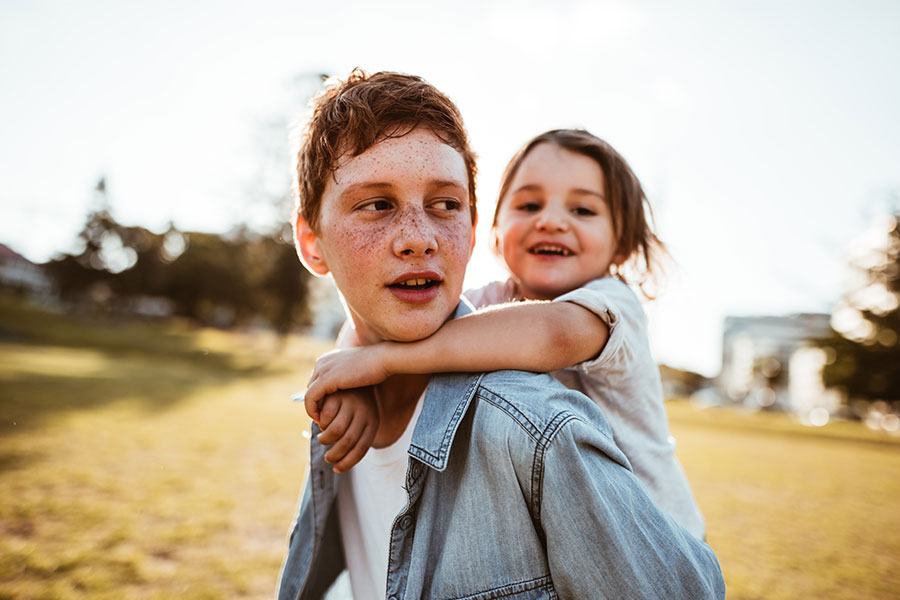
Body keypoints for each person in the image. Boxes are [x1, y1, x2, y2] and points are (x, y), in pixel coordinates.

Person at [276, 69, 725, 599]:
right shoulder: (484, 316)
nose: (419, 240)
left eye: (444, 204)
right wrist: (353, 364)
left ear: (466, 232)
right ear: (311, 243)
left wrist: (380, 362)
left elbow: (550, 334)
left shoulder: (583, 344)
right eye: (377, 204)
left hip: (652, 529)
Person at [303, 129, 706, 539]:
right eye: (529, 205)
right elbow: (390, 318)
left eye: (583, 211)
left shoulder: (614, 304)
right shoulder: (490, 302)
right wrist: (356, 375)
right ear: (493, 231)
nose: (550, 221)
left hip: (656, 544)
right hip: (568, 537)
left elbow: (552, 335)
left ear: (621, 244)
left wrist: (382, 364)